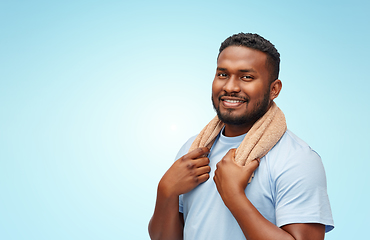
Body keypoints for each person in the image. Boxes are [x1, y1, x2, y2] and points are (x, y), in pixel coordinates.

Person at [148, 33, 334, 240]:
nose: (230, 87)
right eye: (222, 74)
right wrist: (165, 191)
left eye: (246, 77)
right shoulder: (192, 150)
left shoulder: (297, 159)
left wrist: (234, 196)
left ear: (274, 89)